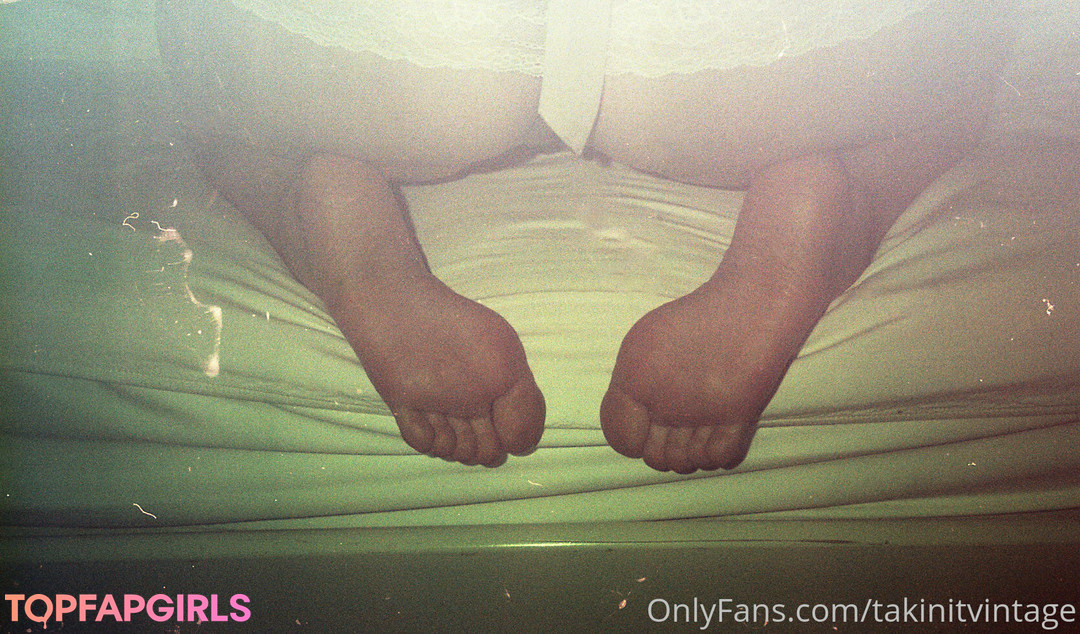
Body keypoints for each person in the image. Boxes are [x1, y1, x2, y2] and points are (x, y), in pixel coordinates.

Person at [156, 0, 1009, 473]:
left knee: (218, 95)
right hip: (749, 56)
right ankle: (839, 193)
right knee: (961, 77)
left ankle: (313, 202)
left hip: (395, 51)